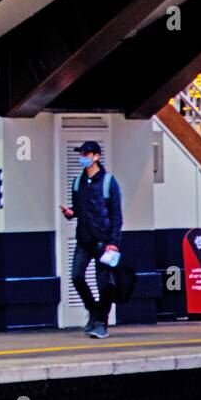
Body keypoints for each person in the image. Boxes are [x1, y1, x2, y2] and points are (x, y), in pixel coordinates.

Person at [60, 141, 122, 339]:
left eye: (86, 153)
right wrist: (71, 213)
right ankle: (94, 311)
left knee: (105, 283)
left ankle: (101, 323)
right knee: (77, 276)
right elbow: (78, 209)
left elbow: (116, 215)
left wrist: (114, 241)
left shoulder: (108, 182)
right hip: (84, 240)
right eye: (81, 154)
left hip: (104, 242)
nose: (83, 157)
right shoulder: (78, 182)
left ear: (96, 157)